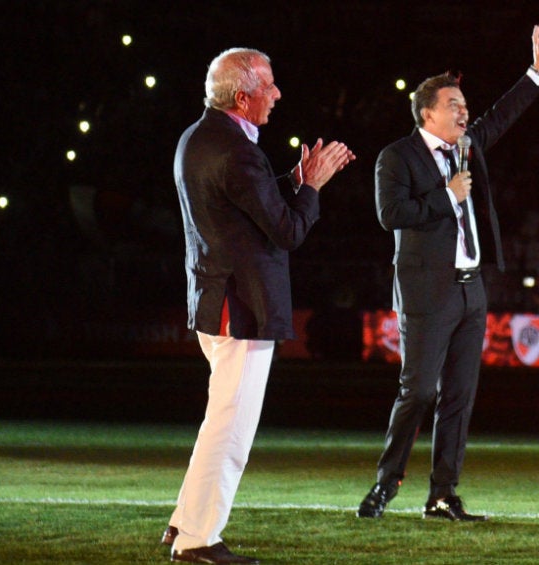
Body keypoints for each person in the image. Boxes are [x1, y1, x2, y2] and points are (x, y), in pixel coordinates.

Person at [162, 48, 354, 564]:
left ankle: (185, 520)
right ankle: (198, 539)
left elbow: (246, 205)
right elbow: (287, 230)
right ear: (242, 97)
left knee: (218, 422)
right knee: (231, 431)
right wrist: (312, 185)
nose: (277, 94)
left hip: (216, 300)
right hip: (240, 306)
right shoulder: (236, 150)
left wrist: (292, 181)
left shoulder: (199, 137)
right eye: (268, 86)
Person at [358, 24, 539, 522]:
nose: (465, 112)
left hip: (471, 289)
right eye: (454, 105)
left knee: (460, 397)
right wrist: (447, 197)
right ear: (427, 113)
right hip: (427, 290)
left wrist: (536, 74)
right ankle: (386, 483)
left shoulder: (468, 146)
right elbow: (390, 214)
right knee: (419, 390)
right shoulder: (396, 156)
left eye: (465, 105)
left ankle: (443, 494)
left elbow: (501, 116)